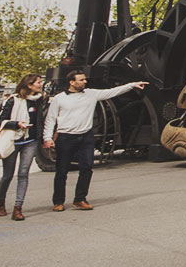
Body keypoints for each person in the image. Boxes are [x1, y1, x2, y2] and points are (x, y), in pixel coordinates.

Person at [42, 71, 147, 211]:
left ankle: (80, 199)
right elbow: (50, 119)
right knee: (62, 170)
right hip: (66, 136)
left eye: (85, 79)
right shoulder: (59, 99)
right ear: (71, 82)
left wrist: (132, 85)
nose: (85, 82)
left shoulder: (91, 94)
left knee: (86, 168)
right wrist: (47, 138)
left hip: (86, 136)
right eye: (81, 80)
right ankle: (58, 201)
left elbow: (112, 92)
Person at [0, 74, 46, 221]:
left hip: (30, 141)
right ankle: (1, 202)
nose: (40, 84)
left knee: (23, 174)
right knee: (8, 175)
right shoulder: (14, 100)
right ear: (29, 85)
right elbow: (1, 121)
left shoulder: (41, 100)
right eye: (38, 82)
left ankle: (18, 208)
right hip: (13, 140)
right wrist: (17, 124)